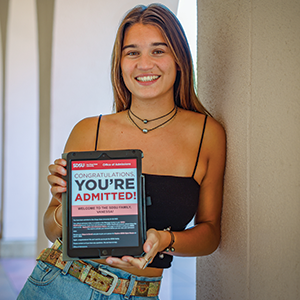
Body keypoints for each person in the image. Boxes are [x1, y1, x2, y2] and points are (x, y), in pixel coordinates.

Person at [18, 3, 225, 299]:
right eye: (132, 52)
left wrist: (165, 239)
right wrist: (66, 210)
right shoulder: (89, 131)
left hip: (138, 292)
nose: (144, 64)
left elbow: (211, 234)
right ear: (120, 63)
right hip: (58, 284)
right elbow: (52, 229)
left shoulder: (208, 135)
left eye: (158, 50)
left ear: (179, 59)